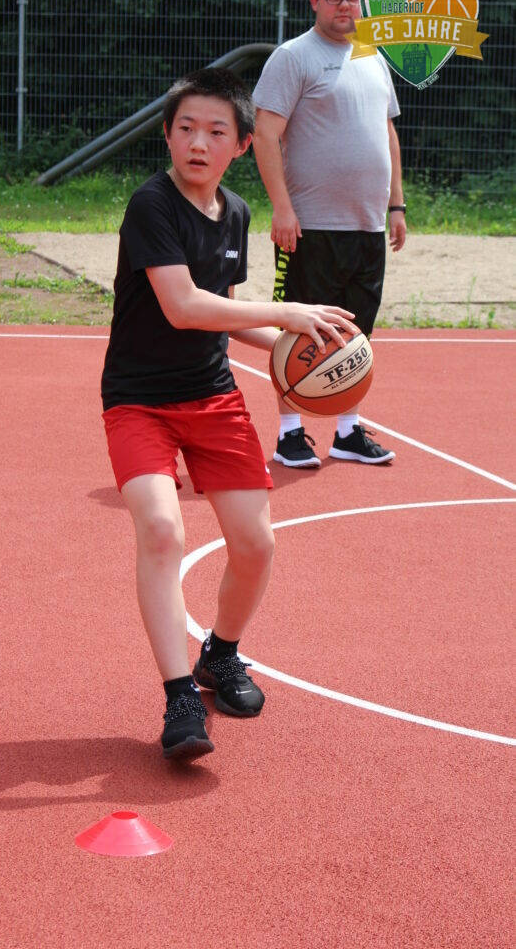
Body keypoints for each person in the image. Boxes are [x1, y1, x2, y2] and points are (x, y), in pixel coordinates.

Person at [101, 68, 357, 759]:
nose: (198, 142)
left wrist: (301, 349)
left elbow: (227, 315)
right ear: (166, 134)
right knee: (161, 529)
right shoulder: (151, 206)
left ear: (242, 145)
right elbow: (184, 306)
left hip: (212, 397)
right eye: (185, 128)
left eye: (216, 131)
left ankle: (220, 654)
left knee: (255, 545)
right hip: (139, 400)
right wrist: (288, 310)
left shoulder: (236, 212)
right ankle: (179, 695)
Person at [252, 0, 407, 469]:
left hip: (366, 225)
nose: (345, 5)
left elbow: (387, 133)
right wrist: (282, 208)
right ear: (315, 0)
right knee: (299, 333)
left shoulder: (373, 55)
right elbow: (266, 135)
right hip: (309, 226)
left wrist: (397, 204)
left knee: (356, 336)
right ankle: (290, 433)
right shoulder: (293, 56)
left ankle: (347, 431)